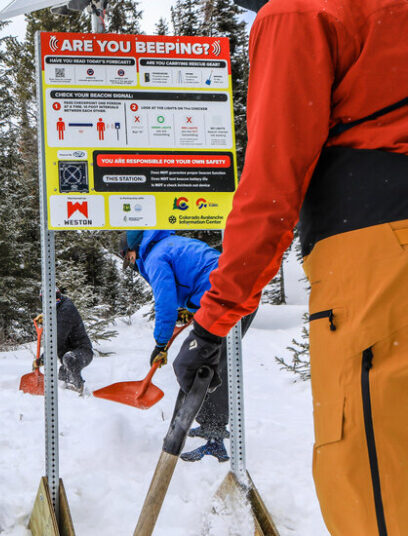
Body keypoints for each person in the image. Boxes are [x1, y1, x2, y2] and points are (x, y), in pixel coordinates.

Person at [170, 0, 408, 532]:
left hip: (381, 254)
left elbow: (271, 186)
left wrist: (209, 324)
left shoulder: (300, 12)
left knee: (377, 478)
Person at [121, 230, 254, 462]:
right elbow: (198, 275)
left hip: (227, 299)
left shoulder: (155, 256)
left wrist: (161, 343)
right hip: (233, 293)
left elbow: (165, 302)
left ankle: (213, 437)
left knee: (200, 364)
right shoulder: (169, 244)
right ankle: (210, 426)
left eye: (128, 257)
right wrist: (194, 309)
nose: (130, 264)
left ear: (134, 248)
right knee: (202, 362)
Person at [37, 289, 94, 394]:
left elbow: (58, 338)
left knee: (69, 359)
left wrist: (43, 358)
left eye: (55, 299)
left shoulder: (67, 310)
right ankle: (70, 398)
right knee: (62, 377)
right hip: (67, 356)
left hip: (82, 352)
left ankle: (78, 389)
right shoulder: (56, 309)